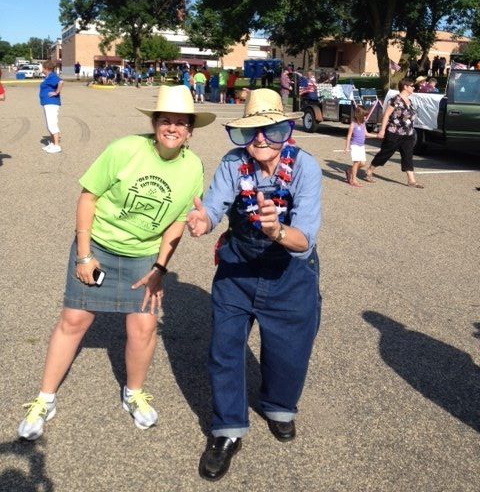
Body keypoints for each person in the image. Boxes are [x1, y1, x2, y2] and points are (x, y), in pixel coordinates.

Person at [17, 85, 216, 441]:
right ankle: (44, 399)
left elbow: (176, 223)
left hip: (143, 255)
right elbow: (88, 196)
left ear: (190, 131)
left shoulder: (193, 168)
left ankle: (133, 393)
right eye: (165, 120)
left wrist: (159, 269)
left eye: (180, 123)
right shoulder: (125, 149)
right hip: (99, 246)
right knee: (74, 319)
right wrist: (84, 254)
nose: (172, 128)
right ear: (154, 123)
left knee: (143, 326)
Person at [187, 88, 322, 482]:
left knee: (290, 349)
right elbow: (214, 204)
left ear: (287, 130)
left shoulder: (305, 167)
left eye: (273, 129)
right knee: (224, 348)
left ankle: (279, 406)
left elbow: (305, 238)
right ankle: (227, 430)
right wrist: (204, 221)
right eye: (253, 132)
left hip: (290, 271)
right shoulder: (233, 163)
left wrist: (278, 229)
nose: (262, 139)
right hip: (238, 268)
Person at [365, 78, 424, 188]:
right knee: (385, 153)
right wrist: (382, 130)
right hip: (394, 132)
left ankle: (411, 180)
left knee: (408, 156)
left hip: (408, 134)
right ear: (405, 87)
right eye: (412, 85)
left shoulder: (409, 101)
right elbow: (387, 115)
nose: (414, 87)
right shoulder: (395, 99)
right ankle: (369, 170)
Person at [343, 106, 376, 187]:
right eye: (364, 115)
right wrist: (347, 147)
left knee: (363, 164)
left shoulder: (363, 123)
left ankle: (349, 171)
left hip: (361, 146)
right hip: (355, 145)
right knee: (356, 162)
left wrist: (377, 136)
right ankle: (354, 180)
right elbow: (349, 136)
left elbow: (366, 134)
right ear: (359, 115)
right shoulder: (353, 124)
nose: (365, 117)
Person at [40, 61, 63, 154]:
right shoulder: (49, 77)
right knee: (49, 124)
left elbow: (61, 82)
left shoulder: (53, 76)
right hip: (47, 103)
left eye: (43, 68)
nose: (42, 70)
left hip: (52, 104)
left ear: (46, 68)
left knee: (52, 124)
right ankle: (53, 144)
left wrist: (56, 92)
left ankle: (57, 145)